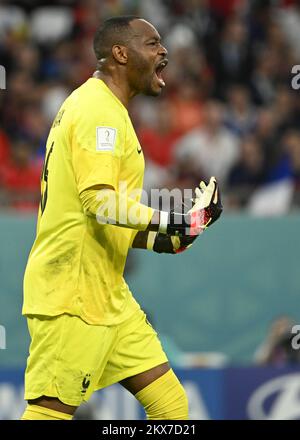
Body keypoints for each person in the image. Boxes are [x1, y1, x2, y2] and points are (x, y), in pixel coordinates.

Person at [21, 16, 222, 421]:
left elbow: (107, 219)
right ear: (120, 53)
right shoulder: (98, 111)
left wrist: (180, 232)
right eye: (152, 43)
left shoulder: (101, 107)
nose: (163, 51)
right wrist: (174, 220)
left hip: (108, 296)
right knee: (49, 414)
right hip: (74, 296)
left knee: (171, 406)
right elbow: (100, 202)